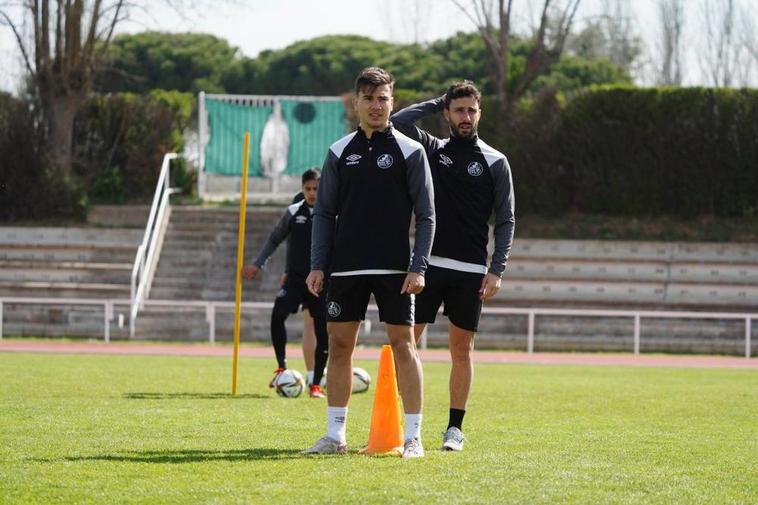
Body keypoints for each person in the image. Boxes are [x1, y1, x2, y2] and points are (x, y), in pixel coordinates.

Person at [302, 67, 435, 458]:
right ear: (356, 103)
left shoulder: (411, 152)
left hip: (396, 269)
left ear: (392, 103)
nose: (377, 106)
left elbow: (427, 215)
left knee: (403, 346)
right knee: (340, 347)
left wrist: (419, 265)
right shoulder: (339, 151)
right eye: (369, 99)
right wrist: (317, 264)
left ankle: (413, 437)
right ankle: (334, 436)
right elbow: (324, 213)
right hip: (346, 268)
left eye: (384, 99)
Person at [391, 81, 515, 451]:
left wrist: (497, 269)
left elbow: (506, 219)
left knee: (462, 351)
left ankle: (454, 429)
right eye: (458, 110)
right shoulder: (433, 148)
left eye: (471, 110)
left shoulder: (496, 161)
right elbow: (398, 121)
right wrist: (437, 101)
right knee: (406, 344)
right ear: (447, 113)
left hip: (471, 271)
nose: (466, 117)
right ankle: (405, 424)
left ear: (480, 113)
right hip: (427, 268)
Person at [242, 168, 328, 398]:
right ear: (302, 189)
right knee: (277, 315)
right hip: (295, 280)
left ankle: (316, 384)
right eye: (307, 189)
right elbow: (274, 239)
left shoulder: (332, 213)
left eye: (316, 189)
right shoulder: (293, 212)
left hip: (320, 283)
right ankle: (282, 366)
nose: (311, 193)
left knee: (323, 331)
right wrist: (257, 264)